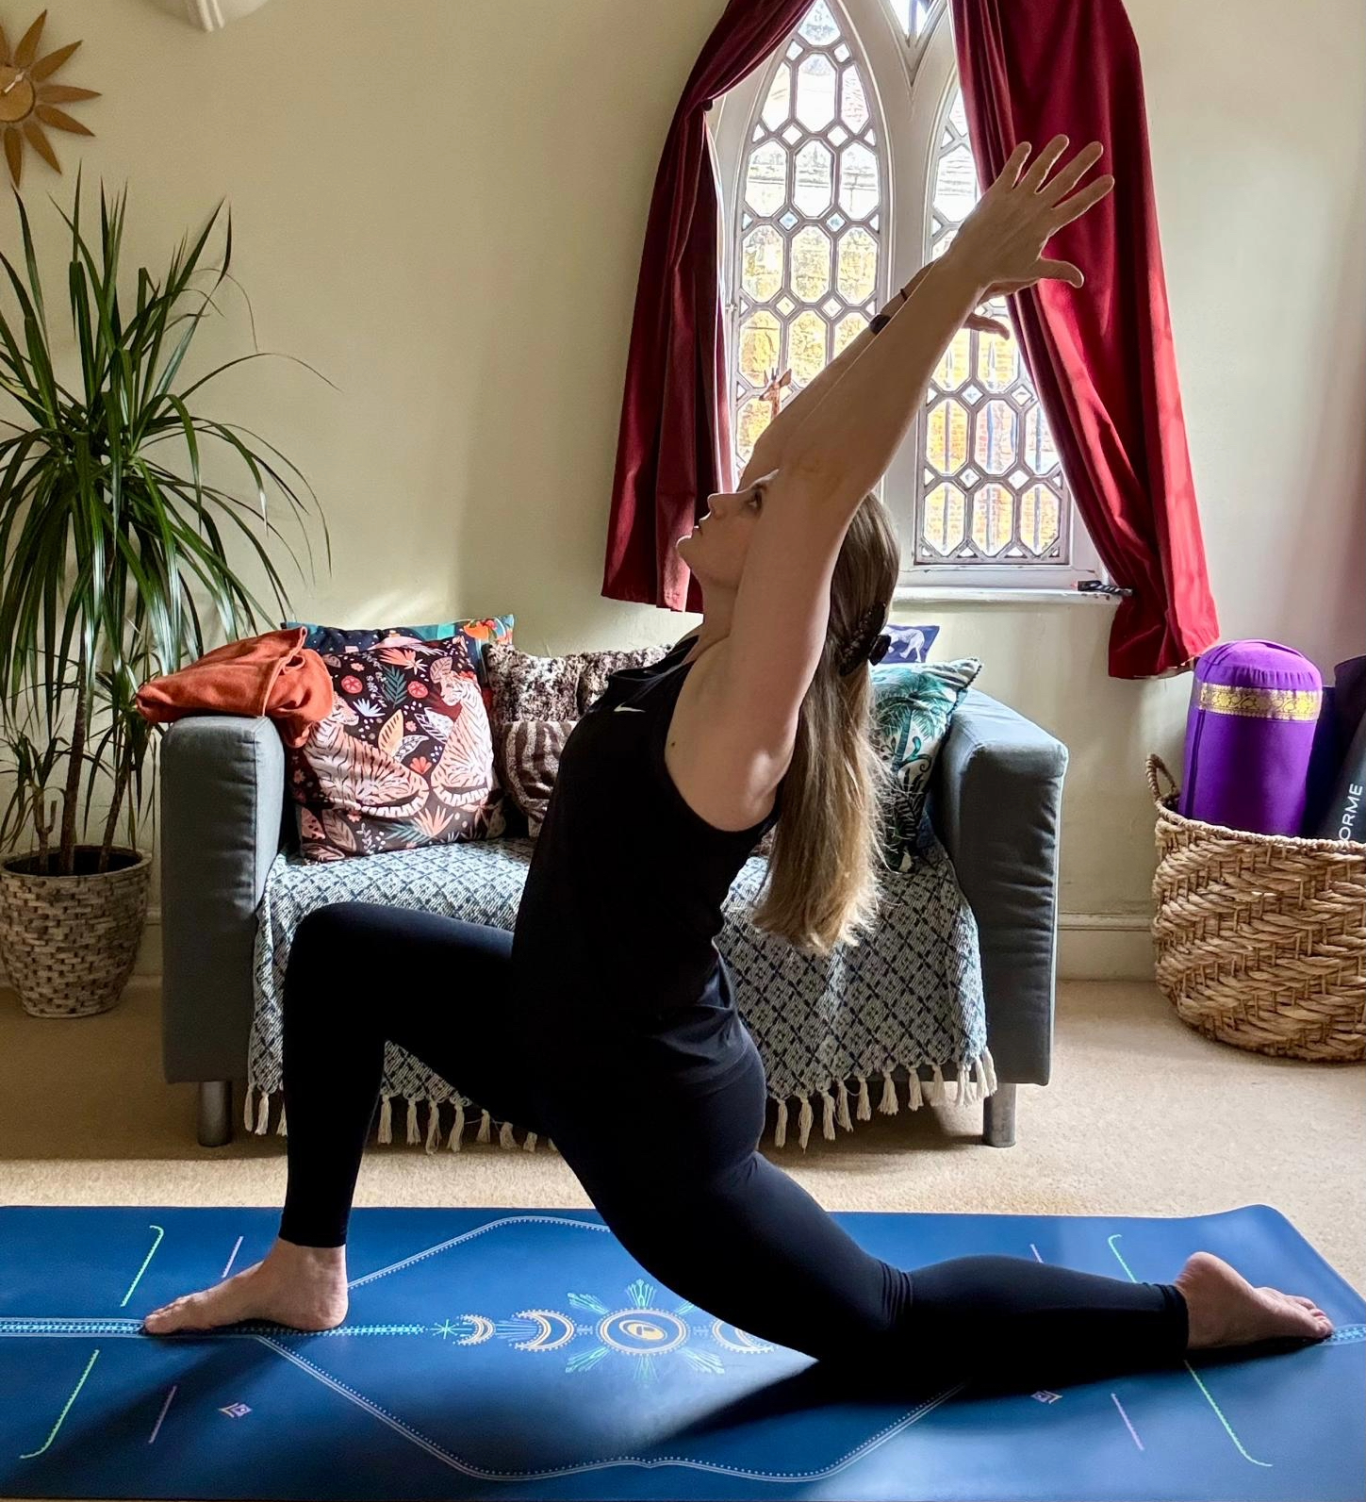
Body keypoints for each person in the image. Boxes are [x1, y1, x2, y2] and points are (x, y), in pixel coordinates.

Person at [144, 138, 1332, 1392]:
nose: (734, 491)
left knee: (886, 1324)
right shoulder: (693, 663)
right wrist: (927, 289)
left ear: (797, 584)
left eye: (758, 506)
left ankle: (1186, 1312)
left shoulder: (742, 720)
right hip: (545, 1031)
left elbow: (821, 475)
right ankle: (307, 1264)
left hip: (650, 1114)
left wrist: (957, 281)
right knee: (341, 947)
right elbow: (803, 446)